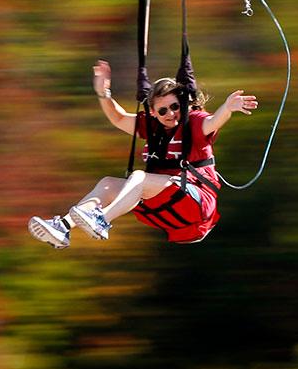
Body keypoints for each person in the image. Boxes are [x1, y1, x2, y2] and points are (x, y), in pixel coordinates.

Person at [29, 60, 258, 248]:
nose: (170, 113)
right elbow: (118, 118)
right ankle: (63, 228)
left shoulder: (194, 123)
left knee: (138, 177)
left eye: (175, 106)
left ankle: (102, 220)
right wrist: (103, 93)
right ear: (153, 113)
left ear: (183, 104)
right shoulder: (153, 127)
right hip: (168, 201)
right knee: (108, 183)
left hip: (196, 200)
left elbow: (212, 122)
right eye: (163, 110)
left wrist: (227, 108)